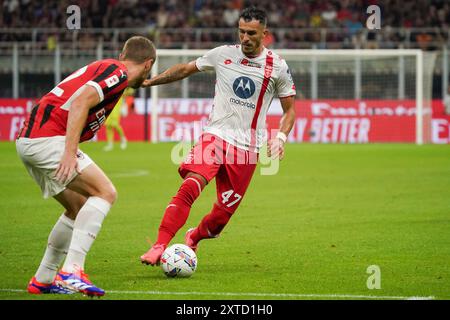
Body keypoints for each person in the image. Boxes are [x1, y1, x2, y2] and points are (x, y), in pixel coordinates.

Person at [140, 7, 296, 266]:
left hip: (248, 149)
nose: (245, 38)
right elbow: (185, 69)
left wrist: (280, 137)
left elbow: (290, 110)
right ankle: (159, 245)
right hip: (216, 136)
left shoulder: (277, 66)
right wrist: (150, 82)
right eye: (242, 32)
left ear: (264, 34)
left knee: (221, 217)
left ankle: (194, 237)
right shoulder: (223, 54)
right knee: (191, 184)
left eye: (251, 33)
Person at [16, 36, 156, 296]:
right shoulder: (119, 73)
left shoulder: (112, 70)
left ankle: (43, 279)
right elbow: (81, 101)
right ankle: (72, 270)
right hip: (48, 138)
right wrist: (70, 152)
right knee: (105, 192)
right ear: (148, 64)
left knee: (77, 207)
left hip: (30, 140)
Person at [103, 87, 135, 151]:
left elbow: (131, 91)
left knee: (115, 124)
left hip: (116, 106)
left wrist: (127, 88)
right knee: (108, 125)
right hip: (108, 105)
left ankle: (123, 139)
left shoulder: (122, 85)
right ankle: (110, 144)